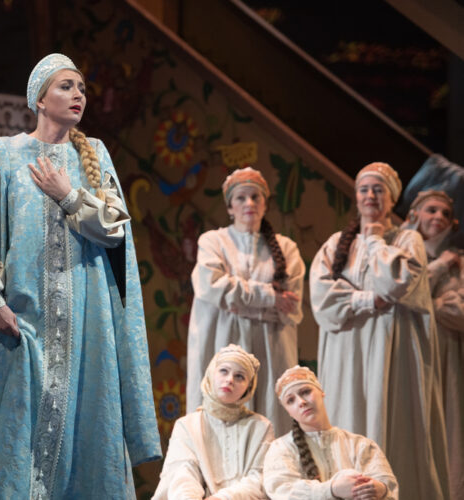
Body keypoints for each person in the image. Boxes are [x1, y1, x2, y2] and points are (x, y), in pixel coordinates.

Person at [0, 53, 161, 499]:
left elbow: (116, 231)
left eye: (81, 88)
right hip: (23, 328)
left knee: (84, 437)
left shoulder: (95, 154)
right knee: (16, 448)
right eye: (66, 86)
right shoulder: (7, 153)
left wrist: (68, 195)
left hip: (87, 329)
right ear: (39, 98)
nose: (77, 95)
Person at [309, 162, 449, 499]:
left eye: (378, 190)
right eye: (364, 189)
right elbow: (322, 299)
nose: (370, 195)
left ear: (392, 199)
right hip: (347, 351)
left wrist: (373, 239)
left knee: (391, 421)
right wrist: (367, 299)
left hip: (391, 353)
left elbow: (395, 283)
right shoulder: (335, 244)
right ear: (356, 196)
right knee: (348, 415)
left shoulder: (407, 239)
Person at [186, 167, 304, 435]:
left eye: (255, 197)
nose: (249, 203)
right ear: (230, 207)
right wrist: (269, 298)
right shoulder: (213, 242)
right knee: (220, 416)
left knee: (269, 419)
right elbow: (213, 286)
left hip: (269, 347)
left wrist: (238, 303)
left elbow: (291, 308)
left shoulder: (287, 249)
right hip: (222, 339)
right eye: (241, 198)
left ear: (265, 203)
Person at [402, 190, 463, 499]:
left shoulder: (460, 264)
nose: (438, 217)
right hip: (408, 348)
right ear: (415, 214)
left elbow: (460, 310)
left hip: (447, 353)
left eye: (445, 213)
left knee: (449, 421)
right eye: (431, 210)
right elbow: (404, 293)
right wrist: (439, 267)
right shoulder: (401, 255)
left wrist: (429, 306)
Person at [154, 344, 273, 500]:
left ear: (249, 387)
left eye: (239, 376)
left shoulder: (261, 426)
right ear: (211, 373)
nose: (229, 380)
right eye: (223, 371)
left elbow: (258, 480)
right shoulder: (187, 425)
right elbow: (182, 475)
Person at [263, 365, 398, 500]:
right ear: (288, 411)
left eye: (305, 392)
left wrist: (382, 490)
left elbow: (389, 488)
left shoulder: (361, 445)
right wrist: (332, 489)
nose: (301, 402)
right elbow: (282, 491)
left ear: (321, 392)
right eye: (290, 400)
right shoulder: (280, 448)